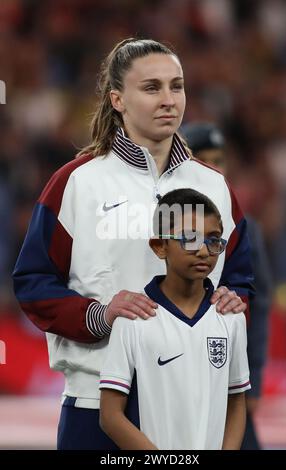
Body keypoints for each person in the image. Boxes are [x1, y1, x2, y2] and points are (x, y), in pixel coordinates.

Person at [13, 38, 253, 450]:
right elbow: (33, 282)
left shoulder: (213, 185)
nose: (168, 100)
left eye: (176, 86)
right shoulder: (76, 183)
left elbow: (241, 280)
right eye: (151, 87)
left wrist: (236, 299)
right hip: (96, 405)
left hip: (196, 402)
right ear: (118, 99)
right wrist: (100, 315)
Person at [99, 188, 250, 450]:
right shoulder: (134, 318)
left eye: (214, 240)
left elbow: (236, 402)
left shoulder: (231, 316)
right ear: (160, 246)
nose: (203, 251)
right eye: (189, 238)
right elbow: (110, 417)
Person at [181, 121, 271, 450]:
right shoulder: (160, 223)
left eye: (218, 160)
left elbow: (258, 308)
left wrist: (253, 384)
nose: (214, 169)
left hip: (229, 379)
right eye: (204, 160)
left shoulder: (242, 227)